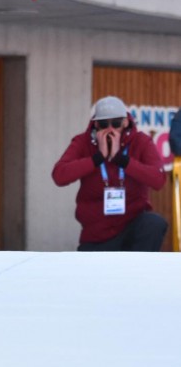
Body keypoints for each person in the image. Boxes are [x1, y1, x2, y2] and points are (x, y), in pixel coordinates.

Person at [52, 95, 167, 252]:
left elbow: (158, 180)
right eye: (104, 124)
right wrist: (97, 158)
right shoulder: (83, 142)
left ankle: (139, 272)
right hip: (96, 234)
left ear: (126, 122)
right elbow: (59, 175)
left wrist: (122, 160)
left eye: (116, 123)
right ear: (96, 124)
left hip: (131, 226)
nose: (110, 129)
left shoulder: (141, 141)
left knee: (154, 223)